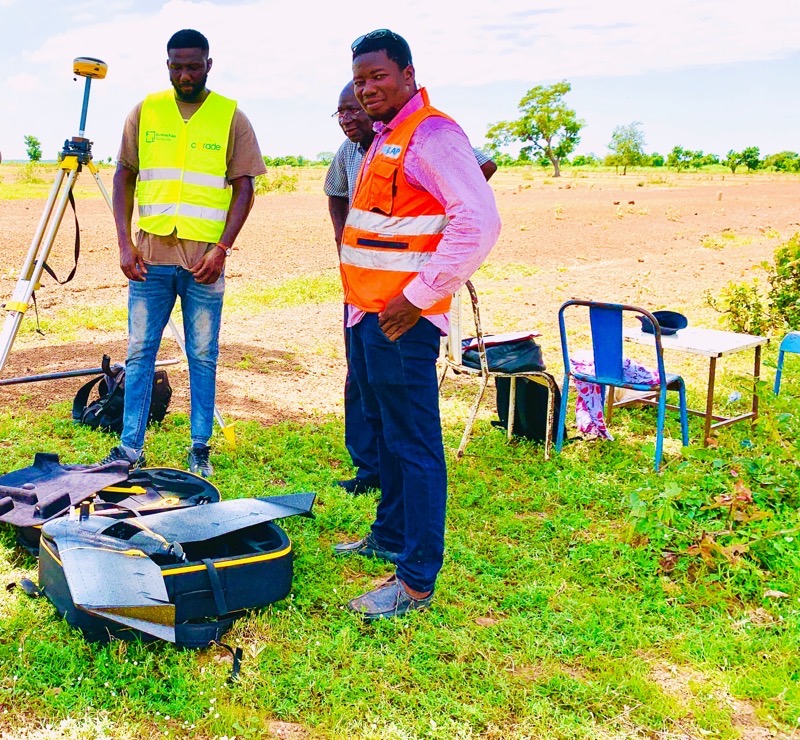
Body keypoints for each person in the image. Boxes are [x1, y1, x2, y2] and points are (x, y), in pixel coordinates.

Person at [334, 30, 501, 621]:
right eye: (360, 80)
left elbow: (478, 221)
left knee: (417, 445)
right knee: (388, 436)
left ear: (408, 74)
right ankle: (389, 533)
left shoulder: (431, 134)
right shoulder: (386, 137)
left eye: (379, 76)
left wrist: (419, 296)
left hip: (402, 321)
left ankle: (415, 581)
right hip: (370, 314)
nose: (368, 88)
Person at [101, 28, 265, 478]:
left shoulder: (231, 116)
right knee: (139, 354)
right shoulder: (146, 110)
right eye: (177, 66)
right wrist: (123, 241)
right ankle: (129, 448)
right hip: (150, 259)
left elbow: (245, 187)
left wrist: (223, 249)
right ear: (167, 64)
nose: (185, 74)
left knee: (203, 355)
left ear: (209, 64)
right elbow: (123, 175)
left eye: (194, 65)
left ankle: (200, 447)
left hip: (203, 266)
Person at [325, 82, 497, 495]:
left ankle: (413, 551)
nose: (350, 117)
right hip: (363, 299)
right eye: (342, 112)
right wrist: (343, 237)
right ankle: (371, 475)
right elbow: (334, 191)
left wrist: (438, 223)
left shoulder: (425, 138)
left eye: (356, 108)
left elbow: (478, 191)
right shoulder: (352, 153)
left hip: (404, 305)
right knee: (369, 396)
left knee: (410, 433)